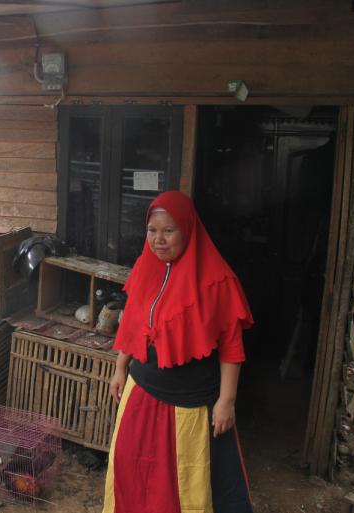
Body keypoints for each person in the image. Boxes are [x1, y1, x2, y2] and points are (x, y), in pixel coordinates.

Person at [102, 191, 254, 513]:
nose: (158, 240)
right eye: (152, 230)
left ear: (187, 229)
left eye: (168, 230)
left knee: (182, 483)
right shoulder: (146, 267)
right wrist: (119, 368)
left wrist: (226, 401)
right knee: (130, 467)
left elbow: (231, 345)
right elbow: (132, 322)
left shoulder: (217, 281)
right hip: (141, 393)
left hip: (189, 405)